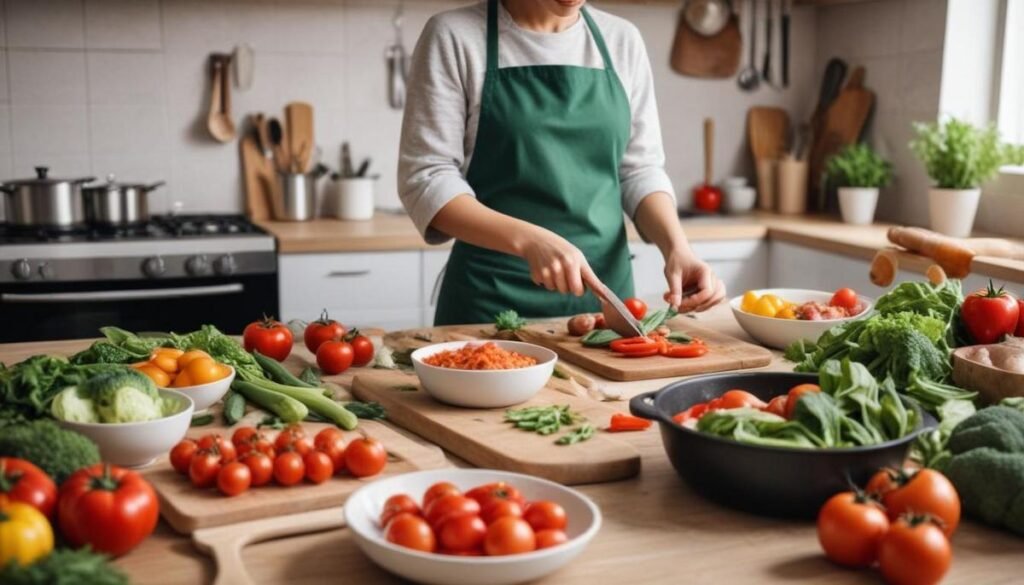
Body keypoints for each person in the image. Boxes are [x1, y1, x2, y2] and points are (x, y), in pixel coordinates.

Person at [399, 0, 726, 325]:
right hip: (490, 305)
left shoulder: (621, 39)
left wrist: (677, 247)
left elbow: (639, 169)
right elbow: (427, 177)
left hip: (605, 304)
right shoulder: (455, 36)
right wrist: (530, 241)